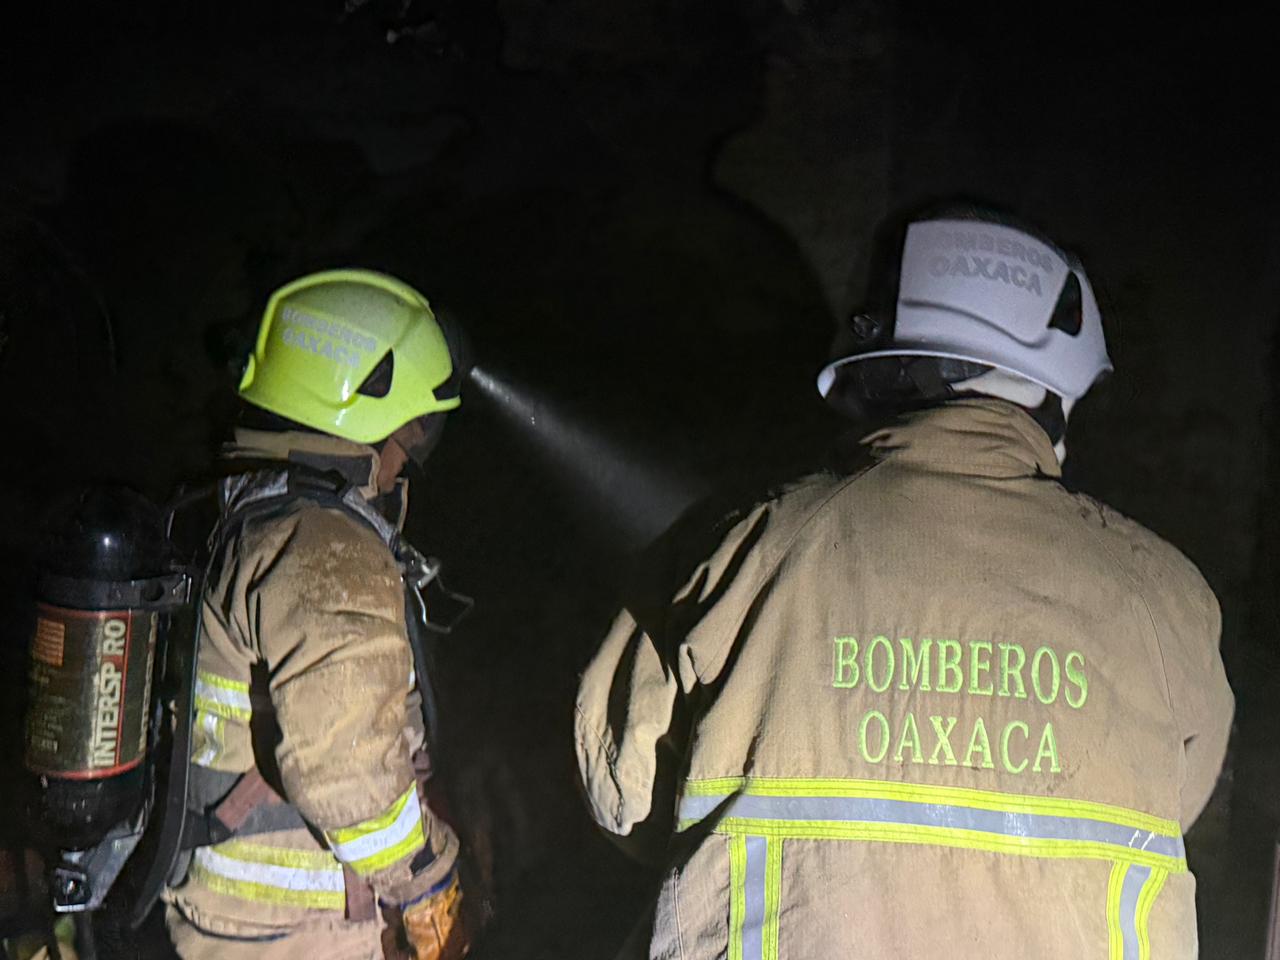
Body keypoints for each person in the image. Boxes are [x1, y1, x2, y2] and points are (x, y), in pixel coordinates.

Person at [575, 206, 1234, 959]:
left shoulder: (738, 546)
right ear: (1058, 396)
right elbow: (1186, 799)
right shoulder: (1166, 599)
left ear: (872, 375)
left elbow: (619, 794)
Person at [163, 269, 469, 960]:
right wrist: (425, 881)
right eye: (413, 426)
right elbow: (348, 772)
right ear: (365, 412)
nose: (411, 453)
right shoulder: (325, 549)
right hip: (297, 934)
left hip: (236, 919)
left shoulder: (243, 515)